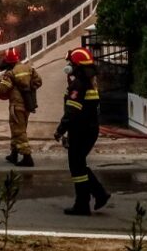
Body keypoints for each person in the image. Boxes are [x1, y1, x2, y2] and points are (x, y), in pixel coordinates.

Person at [53, 47, 110, 215]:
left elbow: (71, 112)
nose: (68, 66)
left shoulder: (78, 85)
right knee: (79, 164)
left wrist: (60, 130)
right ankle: (98, 195)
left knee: (77, 166)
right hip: (89, 130)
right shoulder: (89, 83)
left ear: (76, 65)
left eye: (70, 63)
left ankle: (83, 203)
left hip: (80, 131)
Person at [0, 48, 42, 167]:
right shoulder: (28, 68)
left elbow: (3, 88)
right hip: (28, 104)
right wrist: (28, 89)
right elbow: (38, 81)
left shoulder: (11, 73)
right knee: (17, 128)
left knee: (19, 131)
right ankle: (14, 154)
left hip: (17, 106)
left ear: (8, 61)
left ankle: (27, 157)